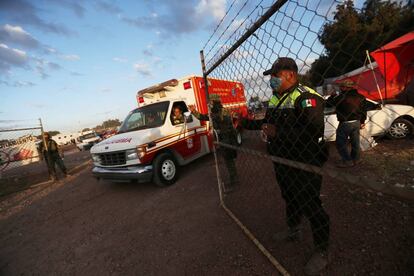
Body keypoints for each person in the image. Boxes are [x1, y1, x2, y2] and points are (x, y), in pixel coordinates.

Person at [243, 57, 330, 275]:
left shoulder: (306, 97)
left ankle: (322, 250)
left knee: (310, 203)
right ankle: (294, 229)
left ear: (290, 74)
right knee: (289, 196)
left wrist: (278, 133)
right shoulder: (275, 99)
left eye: (275, 75)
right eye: (271, 75)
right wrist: (244, 123)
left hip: (304, 161)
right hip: (282, 160)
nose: (271, 79)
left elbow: (314, 132)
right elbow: (268, 124)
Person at [188, 95, 239, 192]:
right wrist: (194, 111)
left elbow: (226, 125)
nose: (209, 104)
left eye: (211, 102)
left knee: (229, 160)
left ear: (215, 102)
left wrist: (216, 127)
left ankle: (234, 179)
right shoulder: (215, 112)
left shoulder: (223, 111)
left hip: (227, 139)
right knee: (228, 160)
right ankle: (234, 177)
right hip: (223, 139)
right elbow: (203, 117)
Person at [326, 80, 367, 168]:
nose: (340, 88)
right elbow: (364, 110)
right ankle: (356, 159)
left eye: (342, 87)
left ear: (346, 88)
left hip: (345, 123)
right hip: (356, 122)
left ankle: (347, 160)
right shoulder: (361, 97)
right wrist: (362, 122)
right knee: (355, 142)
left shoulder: (341, 97)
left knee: (340, 143)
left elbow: (328, 105)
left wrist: (332, 96)